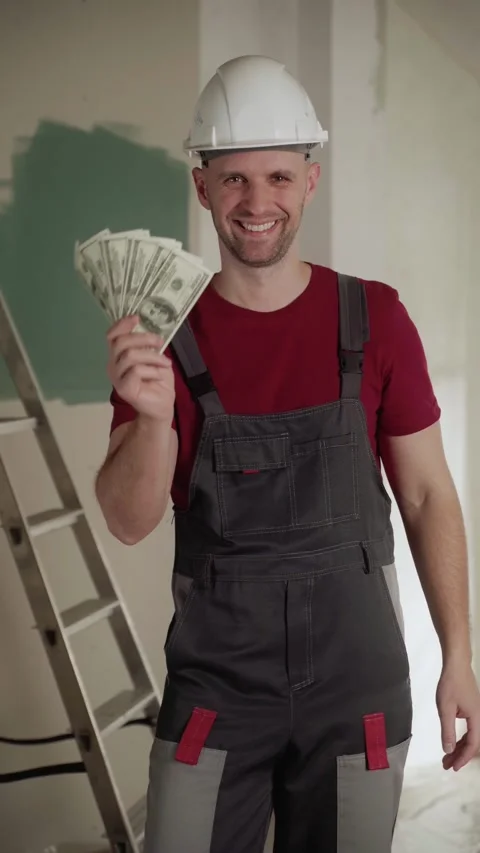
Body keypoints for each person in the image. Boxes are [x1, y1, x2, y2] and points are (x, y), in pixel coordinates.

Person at [95, 55, 480, 853]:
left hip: (357, 691)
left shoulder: (375, 318)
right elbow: (128, 520)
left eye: (277, 176)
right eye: (234, 179)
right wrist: (155, 418)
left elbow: (426, 496)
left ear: (310, 180)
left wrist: (459, 656)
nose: (257, 202)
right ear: (202, 187)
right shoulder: (163, 333)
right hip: (216, 691)